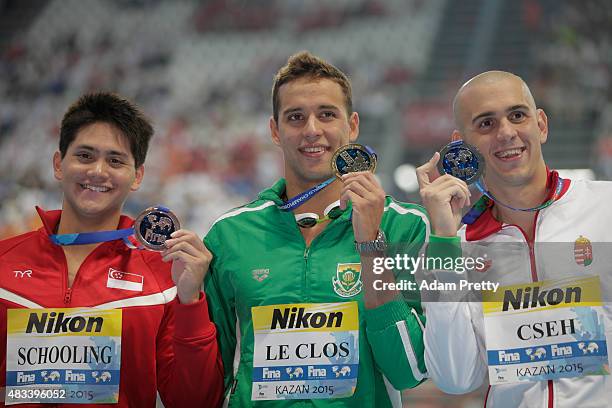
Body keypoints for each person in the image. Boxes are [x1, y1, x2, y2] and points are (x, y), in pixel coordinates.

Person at [204, 51, 433, 407]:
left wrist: (371, 244)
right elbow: (207, 380)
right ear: (274, 131)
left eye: (327, 114)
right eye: (295, 117)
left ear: (352, 125)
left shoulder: (404, 224)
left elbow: (409, 371)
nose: (312, 129)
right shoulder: (229, 234)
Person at [0, 92, 224, 407]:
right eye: (85, 156)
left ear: (138, 176)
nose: (98, 171)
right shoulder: (3, 262)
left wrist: (189, 302)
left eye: (115, 160)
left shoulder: (163, 276)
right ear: (58, 164)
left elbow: (196, 401)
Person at [416, 71, 612, 407]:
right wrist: (445, 241)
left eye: (517, 116)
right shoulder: (452, 248)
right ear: (461, 146)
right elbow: (456, 378)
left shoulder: (605, 206)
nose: (506, 133)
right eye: (486, 124)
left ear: (541, 125)